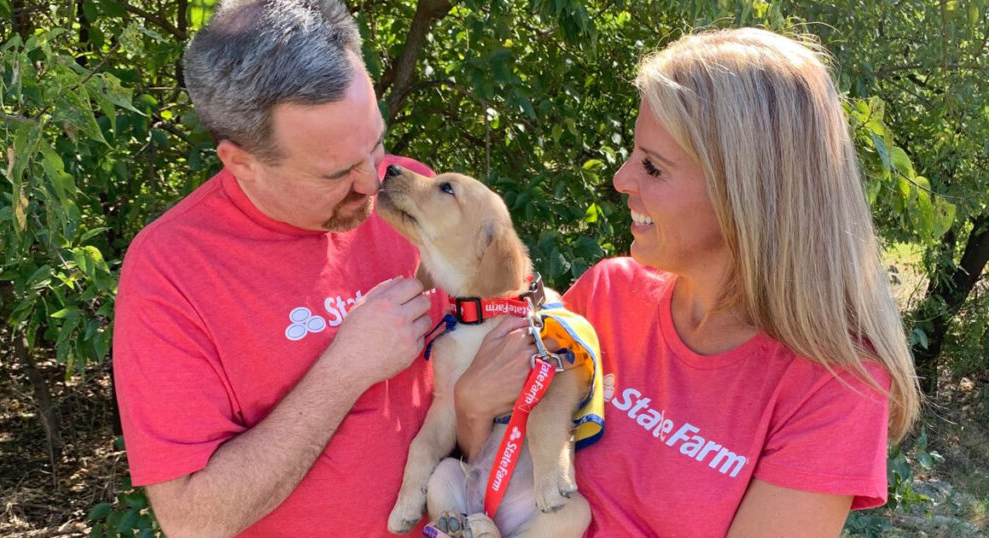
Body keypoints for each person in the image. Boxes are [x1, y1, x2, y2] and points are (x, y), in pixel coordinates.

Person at [455, 27, 922, 537]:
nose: (621, 179)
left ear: (747, 196)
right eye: (636, 153)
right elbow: (488, 467)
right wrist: (471, 410)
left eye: (653, 167)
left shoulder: (836, 386)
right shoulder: (606, 296)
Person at [112, 1, 443, 536]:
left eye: (376, 144)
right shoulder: (172, 270)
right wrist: (345, 370)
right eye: (337, 173)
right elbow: (193, 521)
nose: (374, 183)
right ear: (241, 161)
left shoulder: (412, 196)